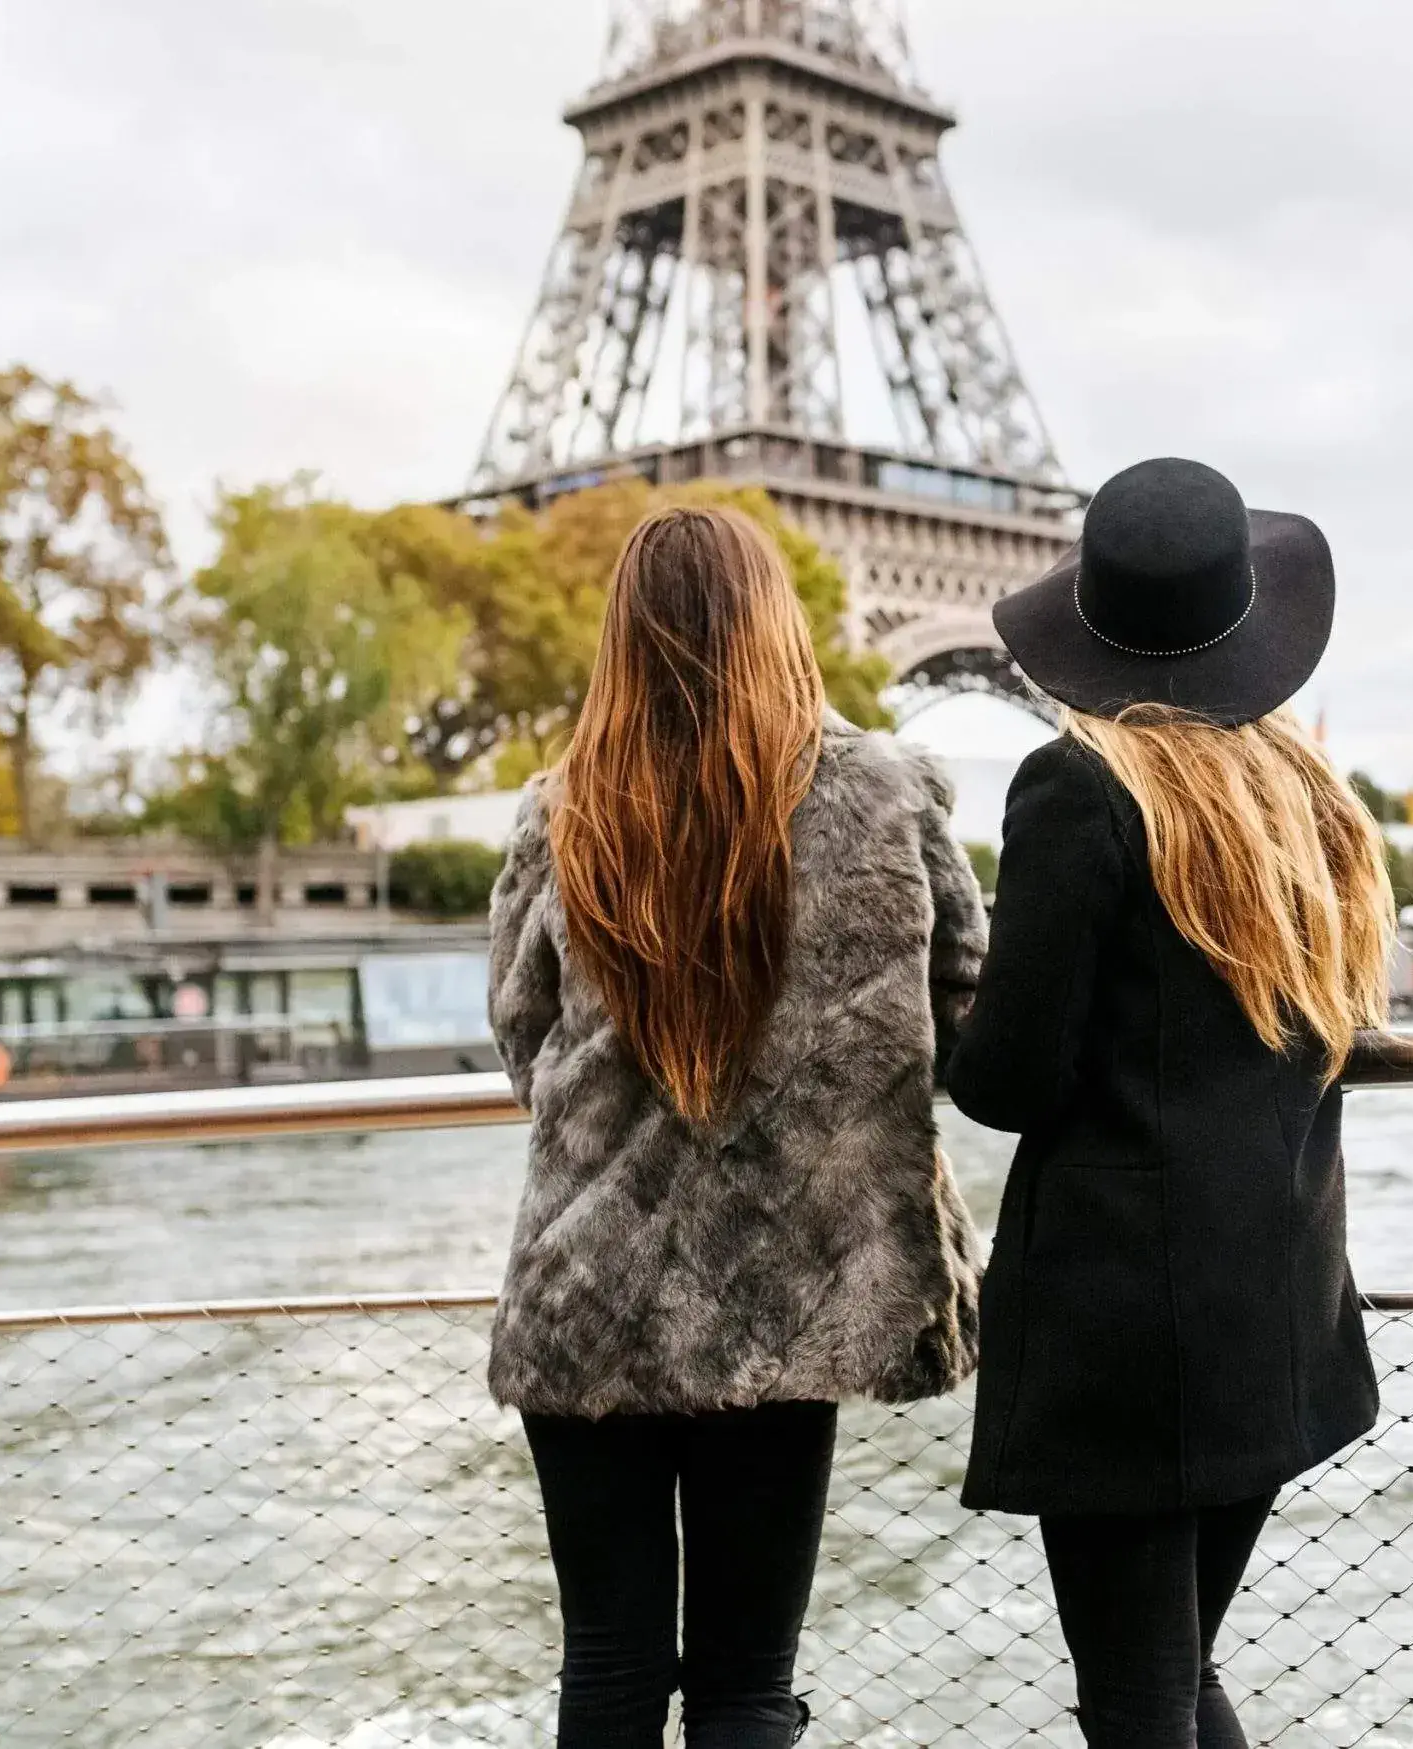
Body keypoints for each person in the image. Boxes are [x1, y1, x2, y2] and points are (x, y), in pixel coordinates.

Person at [485, 504, 987, 1749]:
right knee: (747, 1685)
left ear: (625, 639)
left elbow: (522, 1040)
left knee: (604, 1668)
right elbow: (963, 1014)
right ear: (777, 623)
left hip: (585, 1287)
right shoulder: (883, 792)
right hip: (790, 1283)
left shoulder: (564, 812)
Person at [948, 457, 1392, 1749]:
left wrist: (942, 1007)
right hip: (1277, 1302)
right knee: (1176, 1676)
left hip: (1127, 1331)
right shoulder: (1314, 807)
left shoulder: (1078, 789)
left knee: (1139, 1698)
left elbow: (1010, 1079)